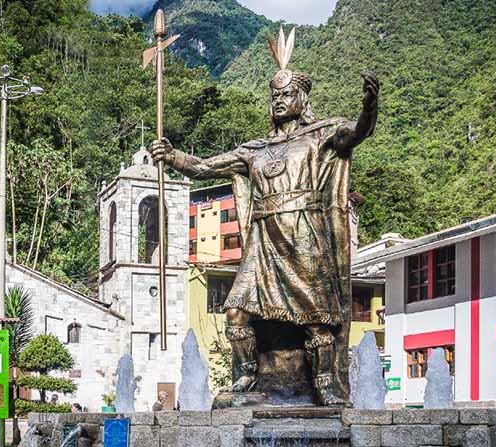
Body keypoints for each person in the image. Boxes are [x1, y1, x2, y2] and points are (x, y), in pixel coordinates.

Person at [150, 26, 379, 405]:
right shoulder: (253, 149)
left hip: (304, 233)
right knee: (237, 308)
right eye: (274, 95)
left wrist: (369, 104)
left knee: (315, 316)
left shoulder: (321, 135)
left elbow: (357, 132)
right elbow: (205, 167)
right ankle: (246, 379)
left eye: (287, 94)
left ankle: (326, 385)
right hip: (264, 238)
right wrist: (173, 156)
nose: (279, 100)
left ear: (302, 99)